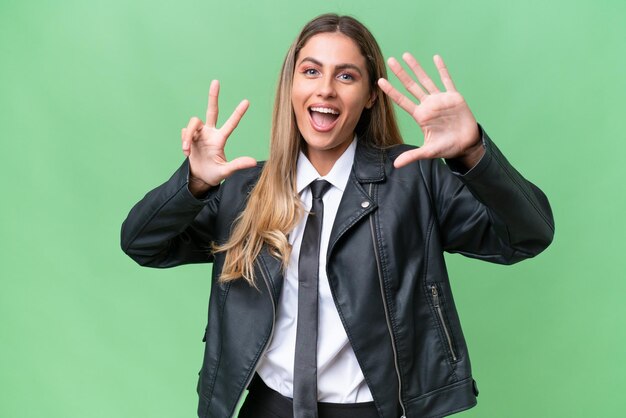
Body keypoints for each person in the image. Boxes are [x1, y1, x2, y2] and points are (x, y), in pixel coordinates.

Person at [121, 13, 554, 418]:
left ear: (369, 96)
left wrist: (472, 151)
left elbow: (526, 236)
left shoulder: (414, 180)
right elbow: (142, 243)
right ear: (292, 87)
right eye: (311, 71)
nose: (325, 89)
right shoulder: (242, 190)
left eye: (346, 76)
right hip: (266, 407)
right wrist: (193, 183)